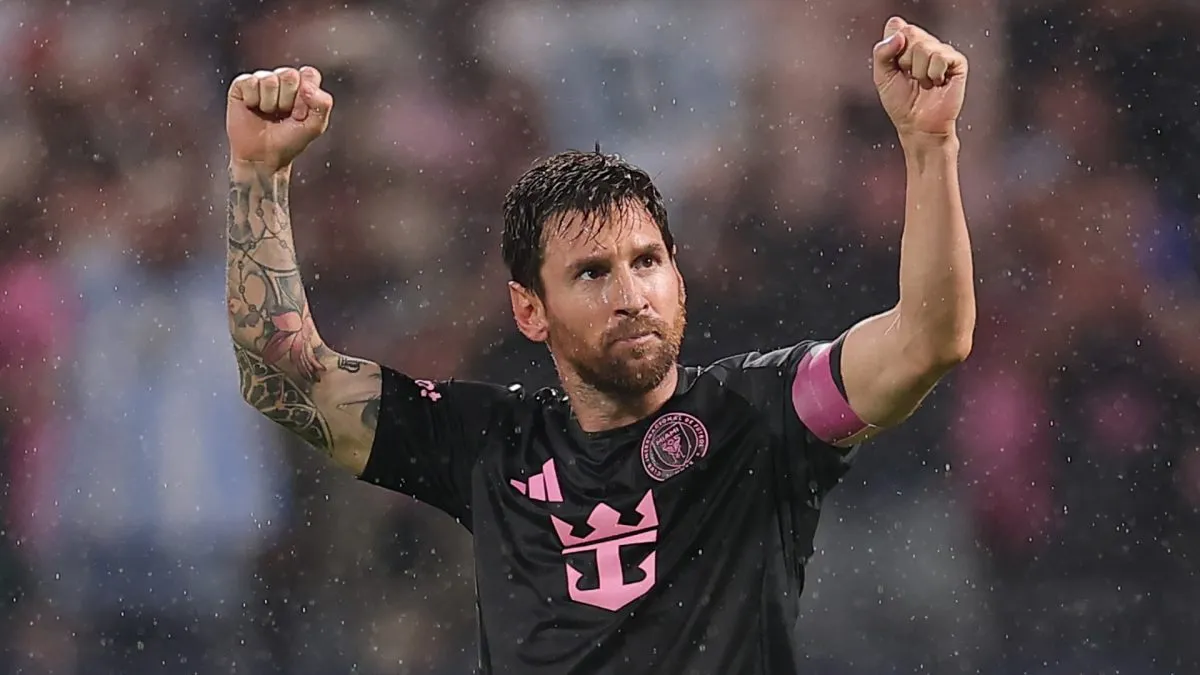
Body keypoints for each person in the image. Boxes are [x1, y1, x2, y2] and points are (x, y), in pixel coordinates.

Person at [225, 16, 974, 675]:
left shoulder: (758, 413)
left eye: (647, 261)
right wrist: (259, 173)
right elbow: (285, 381)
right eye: (592, 272)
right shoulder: (491, 444)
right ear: (530, 310)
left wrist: (929, 144)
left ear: (679, 277)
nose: (630, 293)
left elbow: (927, 339)